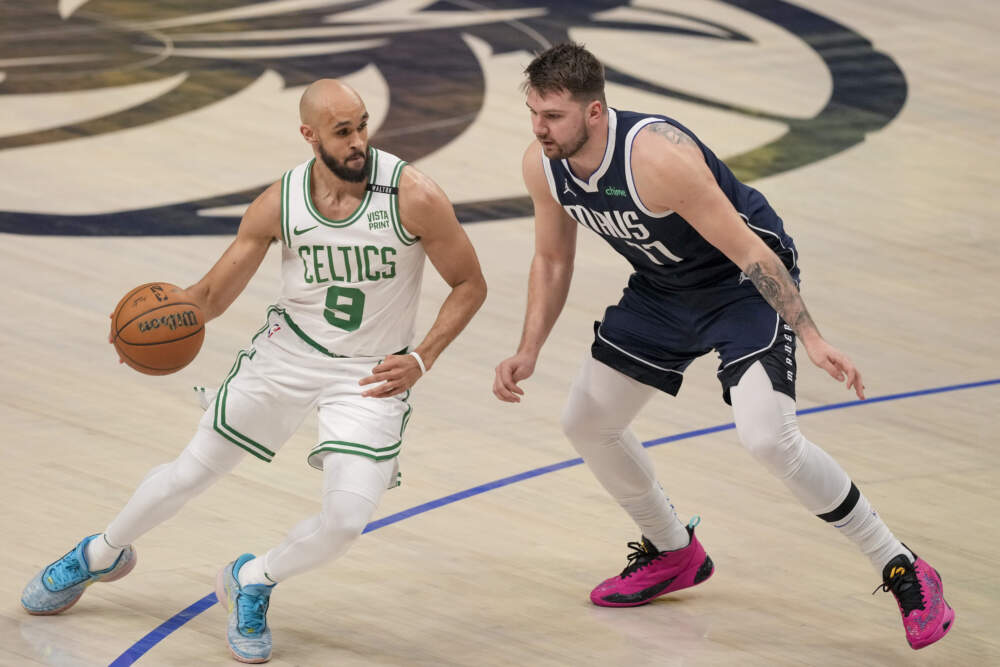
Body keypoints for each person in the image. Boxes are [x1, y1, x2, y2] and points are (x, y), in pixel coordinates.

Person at [493, 43, 952, 650]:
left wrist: (810, 335)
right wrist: (529, 349)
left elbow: (752, 252)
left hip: (740, 285)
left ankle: (902, 567)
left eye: (551, 115)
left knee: (767, 437)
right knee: (586, 422)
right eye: (533, 112)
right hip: (663, 289)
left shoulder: (658, 159)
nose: (538, 128)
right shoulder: (543, 164)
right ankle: (673, 550)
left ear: (596, 112)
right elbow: (552, 259)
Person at [22, 79, 487, 663]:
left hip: (368, 373)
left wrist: (422, 357)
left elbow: (470, 283)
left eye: (363, 125)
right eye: (343, 131)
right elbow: (211, 296)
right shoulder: (280, 202)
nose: (358, 142)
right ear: (308, 135)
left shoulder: (412, 196)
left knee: (345, 523)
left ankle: (254, 578)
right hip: (286, 356)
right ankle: (102, 553)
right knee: (191, 472)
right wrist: (149, 327)